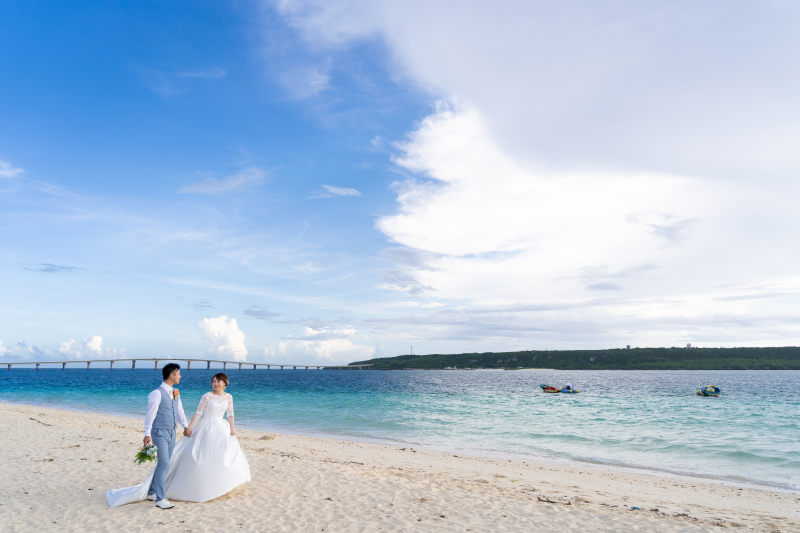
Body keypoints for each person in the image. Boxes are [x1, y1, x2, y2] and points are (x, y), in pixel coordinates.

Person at [106, 372, 251, 507]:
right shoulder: (207, 396)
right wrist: (189, 427)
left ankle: (219, 483)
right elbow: (198, 413)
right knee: (198, 457)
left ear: (225, 383)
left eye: (218, 381)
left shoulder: (229, 397)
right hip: (205, 427)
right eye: (213, 381)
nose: (215, 384)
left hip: (221, 428)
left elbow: (230, 414)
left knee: (222, 456)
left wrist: (232, 429)